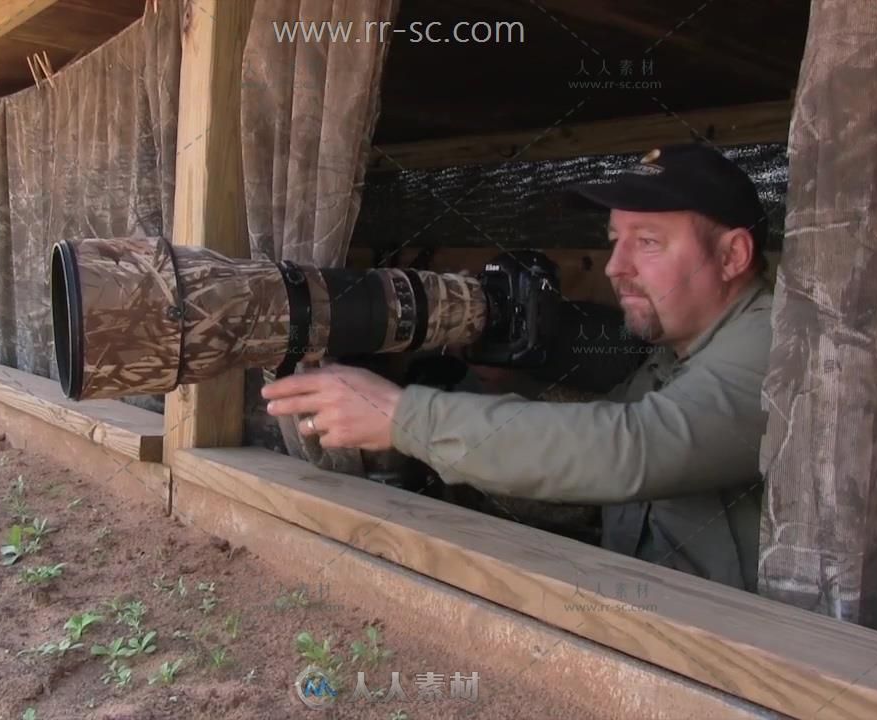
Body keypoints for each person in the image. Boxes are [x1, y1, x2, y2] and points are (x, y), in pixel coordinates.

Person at [262, 143, 774, 592]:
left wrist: (404, 417)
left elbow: (631, 448)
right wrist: (508, 385)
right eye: (614, 239)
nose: (617, 267)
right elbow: (590, 445)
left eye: (648, 242)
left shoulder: (777, 347)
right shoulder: (675, 351)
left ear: (732, 256)